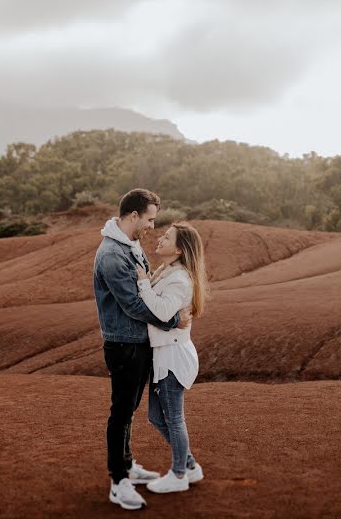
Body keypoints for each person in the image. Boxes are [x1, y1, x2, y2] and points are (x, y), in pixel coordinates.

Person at [93, 188, 192, 511]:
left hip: (138, 343)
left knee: (130, 409)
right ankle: (118, 481)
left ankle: (128, 463)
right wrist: (173, 319)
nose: (152, 226)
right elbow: (134, 304)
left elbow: (144, 284)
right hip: (123, 344)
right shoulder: (111, 255)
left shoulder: (129, 244)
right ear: (133, 215)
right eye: (149, 219)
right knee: (120, 412)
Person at [134, 222, 207, 494]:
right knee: (155, 416)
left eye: (167, 237)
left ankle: (179, 474)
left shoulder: (179, 278)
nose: (160, 238)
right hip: (164, 354)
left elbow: (163, 311)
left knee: (174, 418)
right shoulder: (168, 271)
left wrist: (142, 281)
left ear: (178, 248)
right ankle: (189, 465)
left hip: (173, 356)